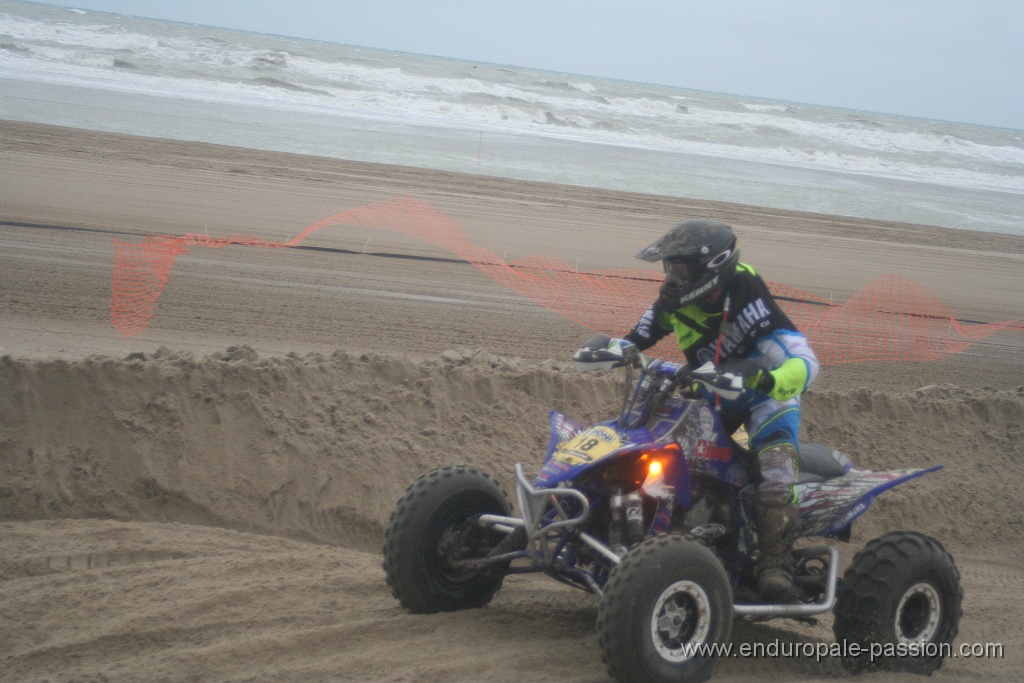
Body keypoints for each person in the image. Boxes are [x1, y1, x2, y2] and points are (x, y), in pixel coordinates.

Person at [622, 218, 819, 598]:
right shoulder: (677, 300)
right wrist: (619, 347)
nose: (673, 277)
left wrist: (767, 380)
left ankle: (774, 563)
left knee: (776, 471)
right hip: (712, 392)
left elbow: (805, 360)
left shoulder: (748, 295)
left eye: (680, 269)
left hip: (765, 397)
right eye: (671, 268)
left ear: (711, 268)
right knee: (668, 448)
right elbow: (642, 332)